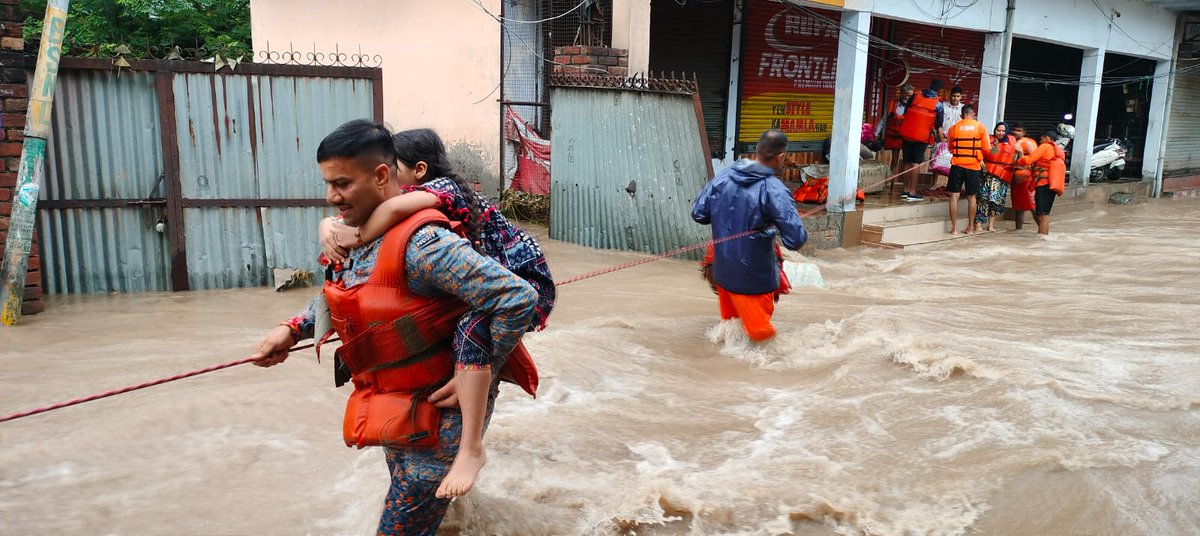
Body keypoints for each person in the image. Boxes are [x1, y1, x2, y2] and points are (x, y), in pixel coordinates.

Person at [251, 119, 539, 535]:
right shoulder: (358, 236)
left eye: (343, 184)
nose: (332, 197)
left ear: (382, 175)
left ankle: (468, 456)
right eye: (328, 184)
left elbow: (516, 297)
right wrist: (294, 327)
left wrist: (482, 370)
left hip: (441, 420)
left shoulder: (425, 246)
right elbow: (350, 294)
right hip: (395, 408)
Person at [318, 127, 556, 500]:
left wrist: (356, 235)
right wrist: (328, 228)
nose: (388, 177)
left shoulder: (441, 191)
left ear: (419, 170)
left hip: (525, 282)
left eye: (392, 168)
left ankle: (471, 447)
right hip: (486, 284)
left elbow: (394, 207)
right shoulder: (420, 197)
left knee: (471, 330)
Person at [691, 129, 808, 342]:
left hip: (722, 272)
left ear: (757, 151)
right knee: (761, 338)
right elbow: (795, 239)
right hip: (754, 278)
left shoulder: (723, 177)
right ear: (781, 156)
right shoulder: (774, 189)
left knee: (731, 334)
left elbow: (699, 213)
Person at [944, 104, 991, 235]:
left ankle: (954, 228)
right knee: (972, 197)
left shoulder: (953, 128)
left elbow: (950, 148)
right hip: (973, 166)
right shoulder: (980, 127)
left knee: (954, 196)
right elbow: (987, 149)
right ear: (973, 114)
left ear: (961, 114)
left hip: (957, 165)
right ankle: (970, 227)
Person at [895, 79, 945, 201]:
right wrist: (942, 139)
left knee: (906, 161)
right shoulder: (938, 104)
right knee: (915, 163)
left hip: (907, 132)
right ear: (939, 90)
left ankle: (905, 190)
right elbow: (939, 124)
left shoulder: (915, 96)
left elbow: (906, 111)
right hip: (922, 136)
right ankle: (912, 192)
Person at [1017, 130, 1067, 235]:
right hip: (1052, 184)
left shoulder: (1045, 146)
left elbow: (1030, 159)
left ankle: (1041, 239)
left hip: (1043, 184)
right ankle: (1044, 239)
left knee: (1042, 215)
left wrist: (1020, 158)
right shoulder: (1058, 150)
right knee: (1045, 214)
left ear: (1047, 138)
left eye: (1041, 139)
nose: (1040, 141)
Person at [977, 121, 1017, 233]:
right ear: (994, 130)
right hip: (989, 175)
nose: (1000, 133)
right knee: (983, 199)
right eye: (998, 130)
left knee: (995, 201)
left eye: (1003, 131)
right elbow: (984, 153)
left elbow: (1016, 159)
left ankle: (990, 225)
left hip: (1002, 176)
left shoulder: (1012, 143)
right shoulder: (990, 141)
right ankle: (978, 224)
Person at [878, 83, 915, 189]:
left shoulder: (913, 106)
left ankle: (906, 187)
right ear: (902, 93)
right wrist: (877, 133)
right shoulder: (893, 104)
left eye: (911, 95)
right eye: (908, 95)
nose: (909, 98)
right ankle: (891, 186)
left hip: (908, 137)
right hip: (895, 136)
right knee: (894, 160)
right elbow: (884, 120)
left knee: (907, 162)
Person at [1009, 123, 1038, 230]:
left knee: (1032, 206)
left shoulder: (1028, 143)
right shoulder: (1011, 142)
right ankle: (1018, 231)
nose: (1016, 132)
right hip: (1016, 179)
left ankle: (1043, 231)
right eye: (1014, 129)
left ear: (1024, 133)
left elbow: (1036, 160)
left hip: (1026, 178)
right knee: (1018, 207)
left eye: (1019, 130)